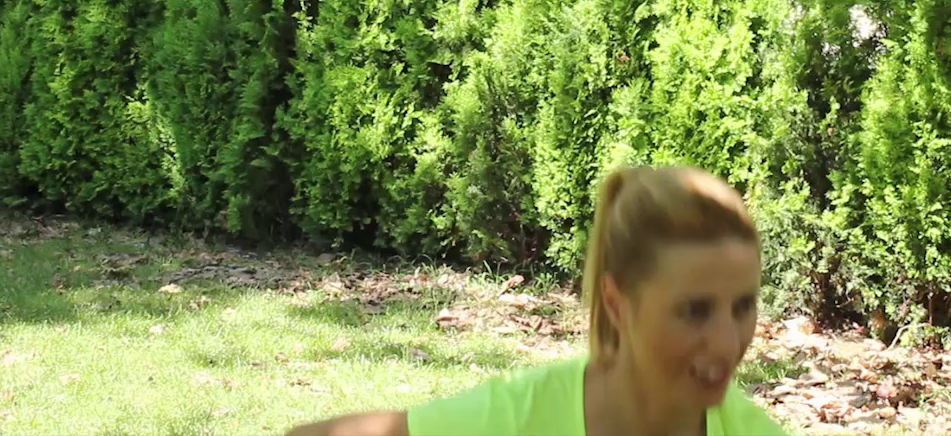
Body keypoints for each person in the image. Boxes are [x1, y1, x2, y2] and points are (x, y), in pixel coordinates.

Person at [284, 165, 790, 436]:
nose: (728, 343)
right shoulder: (519, 417)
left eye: (743, 307)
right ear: (618, 304)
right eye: (695, 310)